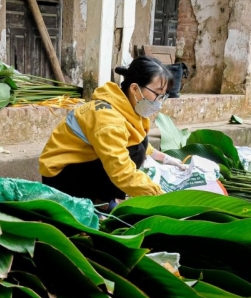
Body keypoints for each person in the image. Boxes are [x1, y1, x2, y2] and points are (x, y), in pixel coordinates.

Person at [39, 56, 185, 204]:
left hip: (79, 165)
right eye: (157, 94)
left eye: (163, 96)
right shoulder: (109, 120)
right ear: (134, 89)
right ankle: (98, 201)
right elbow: (122, 171)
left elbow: (138, 142)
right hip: (61, 177)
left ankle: (103, 199)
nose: (159, 101)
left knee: (140, 144)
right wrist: (162, 196)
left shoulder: (123, 107)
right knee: (134, 151)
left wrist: (166, 159)